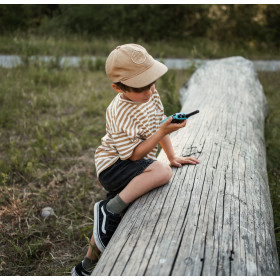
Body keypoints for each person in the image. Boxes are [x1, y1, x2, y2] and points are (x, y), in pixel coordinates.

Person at [71, 44, 200, 276]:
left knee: (109, 224)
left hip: (128, 163)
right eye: (142, 88)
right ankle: (108, 209)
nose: (150, 91)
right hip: (113, 166)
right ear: (118, 88)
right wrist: (162, 136)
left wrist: (171, 155)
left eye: (152, 83)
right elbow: (133, 155)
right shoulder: (119, 111)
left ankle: (85, 266)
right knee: (162, 173)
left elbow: (158, 124)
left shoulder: (150, 93)